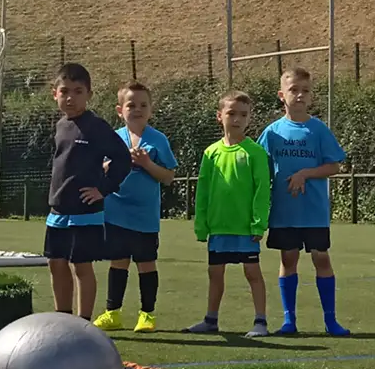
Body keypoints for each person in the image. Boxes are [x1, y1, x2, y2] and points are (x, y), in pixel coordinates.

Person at [258, 67, 350, 336]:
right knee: (288, 259)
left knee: (321, 258)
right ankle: (289, 321)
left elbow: (334, 166)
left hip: (314, 212)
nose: (299, 95)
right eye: (294, 90)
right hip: (285, 211)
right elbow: (261, 169)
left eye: (305, 91)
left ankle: (331, 321)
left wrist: (305, 173)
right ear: (281, 95)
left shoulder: (318, 129)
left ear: (311, 96)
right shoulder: (272, 133)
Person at [44, 62, 132, 321]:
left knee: (81, 266)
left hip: (85, 211)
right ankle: (63, 318)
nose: (70, 97)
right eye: (65, 91)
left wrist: (103, 189)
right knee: (55, 263)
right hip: (58, 210)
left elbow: (122, 159)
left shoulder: (96, 126)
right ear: (55, 94)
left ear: (89, 95)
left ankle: (82, 323)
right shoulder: (61, 125)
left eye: (78, 91)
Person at [184, 90, 272, 337]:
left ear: (249, 119)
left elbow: (262, 190)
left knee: (252, 273)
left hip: (245, 228)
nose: (237, 119)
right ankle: (211, 320)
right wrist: (201, 224)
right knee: (215, 274)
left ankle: (260, 322)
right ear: (219, 116)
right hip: (219, 228)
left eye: (243, 114)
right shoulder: (210, 153)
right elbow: (202, 191)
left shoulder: (255, 152)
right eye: (232, 113)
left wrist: (258, 224)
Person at [93, 81, 178, 333]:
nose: (137, 109)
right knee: (118, 262)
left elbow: (168, 176)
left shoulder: (158, 140)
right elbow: (98, 170)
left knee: (146, 263)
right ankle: (112, 313)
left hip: (145, 216)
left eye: (143, 105)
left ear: (151, 110)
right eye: (131, 105)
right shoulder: (112, 138)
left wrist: (147, 164)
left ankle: (147, 314)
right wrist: (111, 165)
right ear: (120, 110)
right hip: (116, 212)